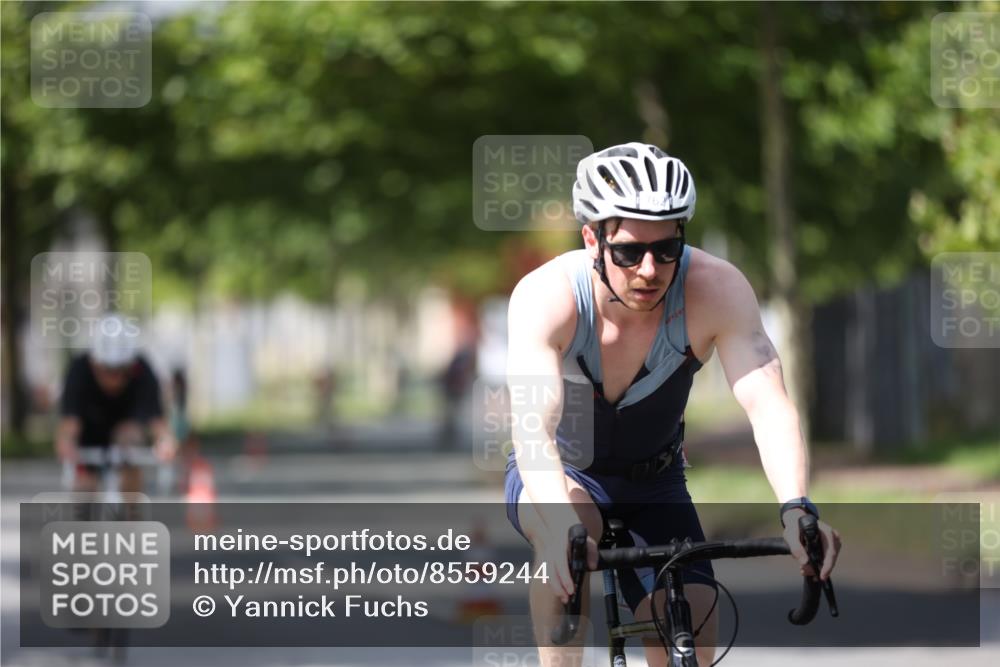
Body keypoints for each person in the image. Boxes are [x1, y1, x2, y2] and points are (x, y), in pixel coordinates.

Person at [503, 142, 842, 666]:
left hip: (656, 480)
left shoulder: (716, 289)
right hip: (561, 473)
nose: (648, 269)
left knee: (692, 620)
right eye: (628, 252)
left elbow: (768, 404)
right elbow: (534, 430)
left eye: (666, 250)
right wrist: (554, 527)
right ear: (592, 239)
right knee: (570, 539)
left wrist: (797, 507)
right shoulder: (547, 297)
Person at [56, 313, 177, 494]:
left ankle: (131, 514)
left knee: (129, 446)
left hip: (127, 433)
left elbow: (157, 422)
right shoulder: (79, 370)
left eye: (121, 370)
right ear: (94, 364)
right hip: (89, 433)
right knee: (84, 490)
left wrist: (166, 443)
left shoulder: (143, 370)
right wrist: (66, 444)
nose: (115, 379)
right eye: (107, 371)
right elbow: (69, 425)